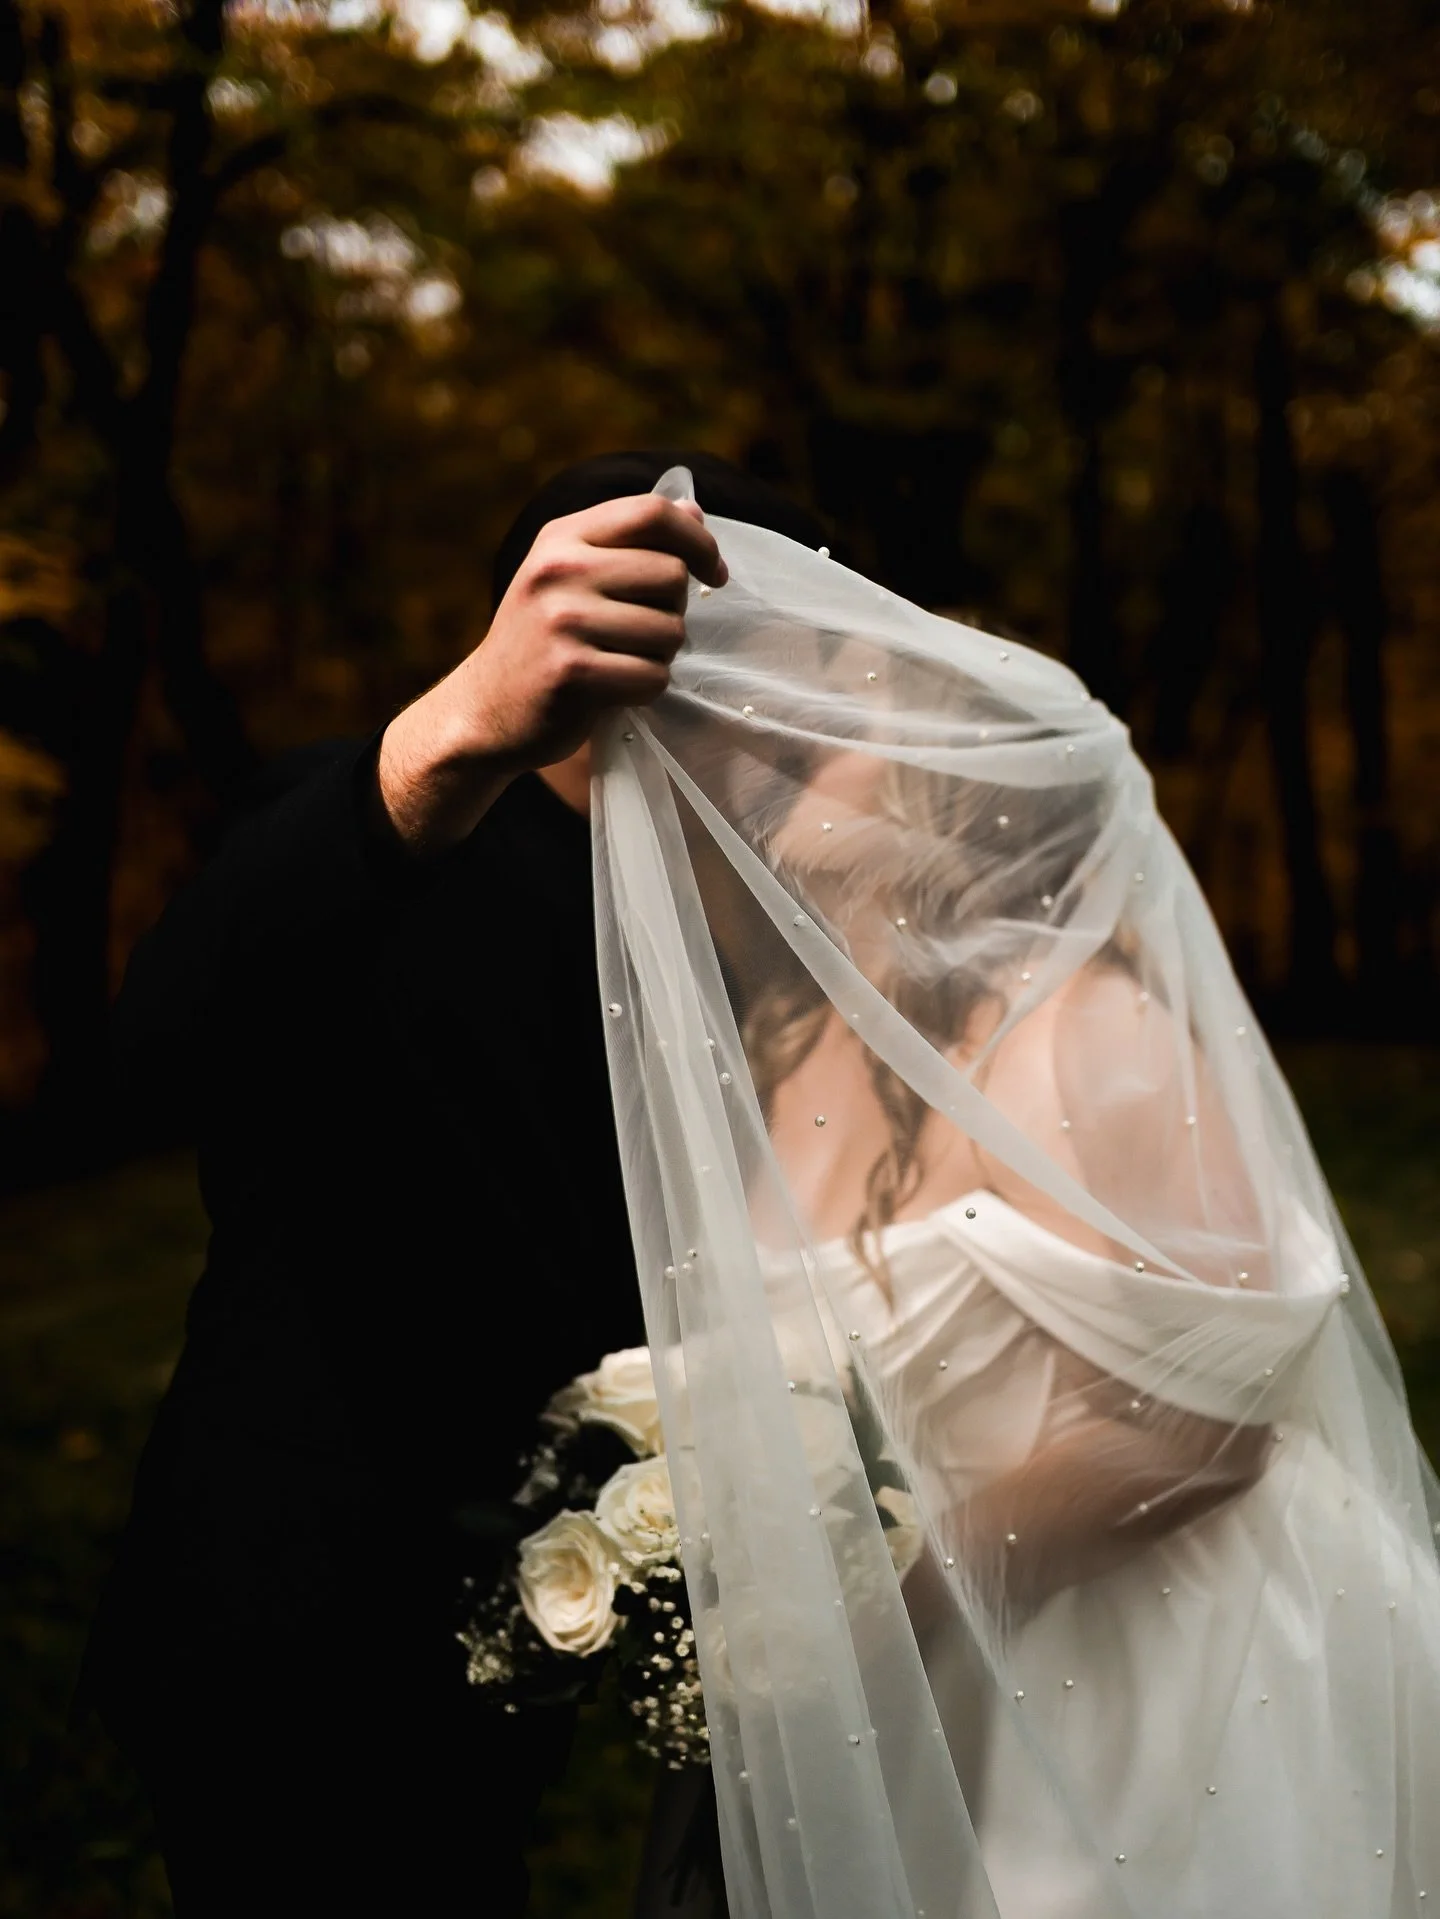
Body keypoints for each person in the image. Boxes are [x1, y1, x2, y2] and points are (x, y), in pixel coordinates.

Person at [80, 452, 830, 1917]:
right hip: (293, 1643)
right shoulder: (382, 819)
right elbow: (154, 1054)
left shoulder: (713, 919)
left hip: (511, 1635)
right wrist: (457, 732)